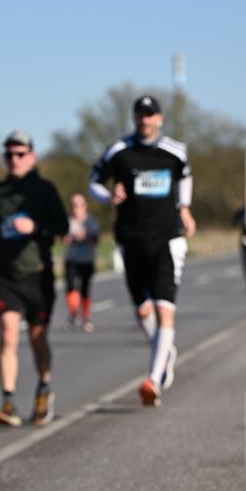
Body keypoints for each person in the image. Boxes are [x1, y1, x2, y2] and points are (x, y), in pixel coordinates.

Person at [89, 95, 195, 408]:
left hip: (166, 238)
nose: (144, 120)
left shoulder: (174, 152)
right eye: (140, 115)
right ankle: (166, 353)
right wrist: (109, 194)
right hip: (131, 239)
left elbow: (186, 177)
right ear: (134, 118)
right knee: (143, 311)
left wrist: (185, 209)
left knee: (165, 308)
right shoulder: (119, 151)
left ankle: (154, 378)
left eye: (150, 115)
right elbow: (92, 181)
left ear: (159, 118)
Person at [0, 130, 68, 427]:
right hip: (6, 275)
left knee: (38, 337)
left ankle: (44, 389)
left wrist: (36, 226)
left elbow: (62, 226)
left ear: (32, 156)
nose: (14, 159)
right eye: (9, 154)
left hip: (37, 274)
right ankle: (8, 402)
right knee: (8, 334)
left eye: (20, 154)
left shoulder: (45, 189)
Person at [64, 193, 100, 331]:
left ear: (85, 206)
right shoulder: (68, 221)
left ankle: (86, 317)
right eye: (74, 205)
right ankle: (73, 314)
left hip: (86, 259)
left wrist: (85, 237)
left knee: (85, 288)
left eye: (79, 205)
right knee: (71, 287)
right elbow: (63, 237)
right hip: (71, 259)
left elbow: (96, 240)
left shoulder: (91, 222)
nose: (76, 208)